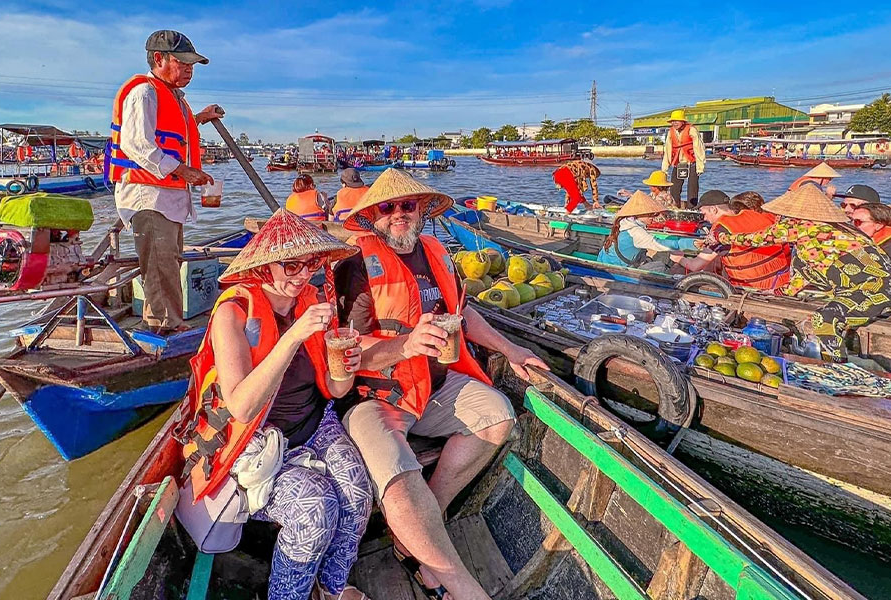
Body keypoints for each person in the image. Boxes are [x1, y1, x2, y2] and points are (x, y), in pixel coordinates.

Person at [334, 169, 549, 600]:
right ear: (373, 215)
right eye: (388, 207)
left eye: (407, 205)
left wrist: (510, 350)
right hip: (376, 398)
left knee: (496, 416)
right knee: (396, 480)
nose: (398, 213)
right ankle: (460, 585)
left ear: (421, 211)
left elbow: (463, 315)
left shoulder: (436, 252)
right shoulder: (357, 265)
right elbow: (350, 352)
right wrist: (407, 344)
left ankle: (429, 517)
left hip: (431, 387)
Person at [175, 209, 374, 600]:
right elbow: (242, 408)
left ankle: (332, 587)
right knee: (316, 507)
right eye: (291, 264)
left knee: (356, 491)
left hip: (312, 425)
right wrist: (294, 336)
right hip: (252, 445)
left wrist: (346, 367)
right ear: (265, 266)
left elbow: (334, 390)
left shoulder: (313, 302)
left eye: (311, 264)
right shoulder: (234, 313)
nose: (302, 276)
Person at [108, 30, 220, 335]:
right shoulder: (144, 92)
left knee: (170, 261)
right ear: (159, 59)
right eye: (182, 62)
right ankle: (164, 326)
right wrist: (184, 171)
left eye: (191, 65)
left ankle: (168, 321)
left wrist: (201, 117)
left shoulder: (174, 98)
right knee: (160, 265)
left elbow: (176, 129)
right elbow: (137, 144)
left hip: (167, 198)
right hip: (147, 197)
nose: (189, 70)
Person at [716, 185, 891, 362]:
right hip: (879, 288)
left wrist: (720, 237)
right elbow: (802, 275)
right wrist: (777, 293)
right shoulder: (831, 230)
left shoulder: (802, 226)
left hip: (877, 288)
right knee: (823, 314)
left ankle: (837, 369)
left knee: (824, 319)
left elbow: (758, 238)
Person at [670, 190, 791, 291]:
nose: (704, 218)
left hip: (751, 288)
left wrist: (679, 259)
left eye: (704, 213)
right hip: (781, 283)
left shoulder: (723, 228)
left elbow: (695, 266)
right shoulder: (762, 215)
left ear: (714, 209)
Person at [596, 190, 670, 268]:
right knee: (662, 266)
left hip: (603, 263)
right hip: (616, 270)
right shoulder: (635, 230)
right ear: (639, 215)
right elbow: (659, 244)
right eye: (650, 215)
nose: (653, 217)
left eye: (654, 215)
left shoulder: (624, 223)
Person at [660, 110, 706, 207]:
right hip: (678, 163)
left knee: (692, 188)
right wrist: (664, 169)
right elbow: (668, 150)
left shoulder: (691, 130)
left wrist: (700, 166)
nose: (674, 123)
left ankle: (692, 208)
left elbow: (699, 148)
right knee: (674, 188)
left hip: (692, 162)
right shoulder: (670, 132)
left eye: (677, 121)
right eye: (673, 121)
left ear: (683, 121)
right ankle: (674, 207)